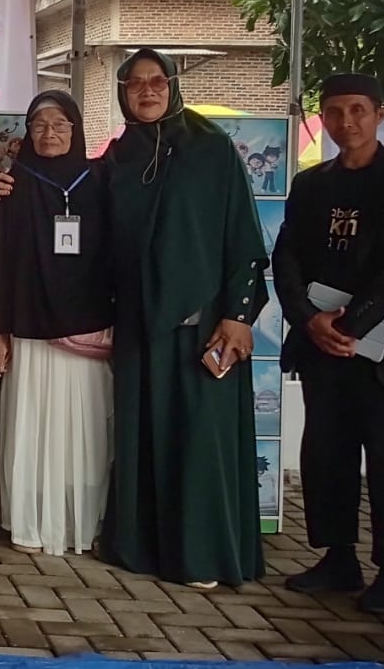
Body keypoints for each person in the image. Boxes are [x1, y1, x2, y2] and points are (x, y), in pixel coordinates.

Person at [94, 48, 265, 589]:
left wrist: (238, 316)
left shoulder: (210, 148)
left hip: (203, 324)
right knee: (142, 434)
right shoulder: (118, 158)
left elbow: (243, 237)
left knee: (198, 440)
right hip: (139, 324)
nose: (146, 91)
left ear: (173, 86)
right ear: (122, 92)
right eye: (135, 83)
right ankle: (142, 547)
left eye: (157, 81)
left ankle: (200, 556)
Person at [275, 73, 384, 616]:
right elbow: (287, 257)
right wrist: (308, 321)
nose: (346, 122)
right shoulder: (311, 185)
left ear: (379, 114)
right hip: (322, 344)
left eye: (358, 110)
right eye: (335, 111)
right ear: (323, 117)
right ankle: (337, 557)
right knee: (327, 454)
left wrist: (352, 326)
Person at [0, 90, 115, 557]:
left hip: (87, 327)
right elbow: (0, 261)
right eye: (39, 125)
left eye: (60, 124)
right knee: (32, 429)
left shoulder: (101, 180)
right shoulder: (11, 184)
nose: (50, 133)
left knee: (85, 433)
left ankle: (82, 522)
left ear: (76, 129)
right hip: (30, 326)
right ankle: (29, 523)